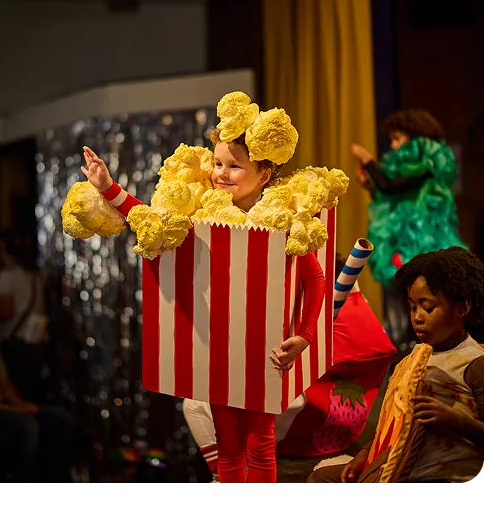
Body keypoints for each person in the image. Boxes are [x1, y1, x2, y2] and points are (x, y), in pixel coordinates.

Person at [79, 95, 331, 484]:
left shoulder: (280, 221)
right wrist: (109, 187)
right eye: (217, 163)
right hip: (215, 349)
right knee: (228, 446)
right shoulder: (199, 218)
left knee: (259, 443)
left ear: (264, 175)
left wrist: (305, 335)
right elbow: (149, 220)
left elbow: (314, 277)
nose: (222, 174)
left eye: (235, 166)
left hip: (263, 351)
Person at [183, 252, 396, 481]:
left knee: (199, 404)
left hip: (310, 409)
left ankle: (225, 473)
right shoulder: (342, 301)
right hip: (333, 421)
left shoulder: (322, 300)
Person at [307, 246, 484, 486]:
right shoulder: (414, 358)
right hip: (400, 466)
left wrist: (456, 420)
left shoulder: (474, 363)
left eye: (428, 307)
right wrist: (365, 454)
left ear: (462, 308)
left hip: (445, 476)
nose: (417, 317)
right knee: (321, 479)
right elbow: (395, 423)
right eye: (412, 307)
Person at [351, 109, 467, 351]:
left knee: (422, 285)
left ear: (415, 135)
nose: (394, 146)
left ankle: (422, 341)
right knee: (398, 287)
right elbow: (391, 195)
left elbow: (392, 187)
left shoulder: (427, 160)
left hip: (422, 236)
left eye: (397, 138)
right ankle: (401, 342)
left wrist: (368, 159)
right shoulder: (404, 166)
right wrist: (371, 187)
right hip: (401, 236)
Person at [0, 287, 74, 488]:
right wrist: (8, 409)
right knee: (28, 427)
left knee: (59, 418)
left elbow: (4, 382)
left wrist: (20, 404)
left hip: (1, 405)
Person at [0, 229, 50, 403]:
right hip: (35, 342)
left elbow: (6, 311)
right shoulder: (35, 276)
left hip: (15, 343)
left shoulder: (7, 276)